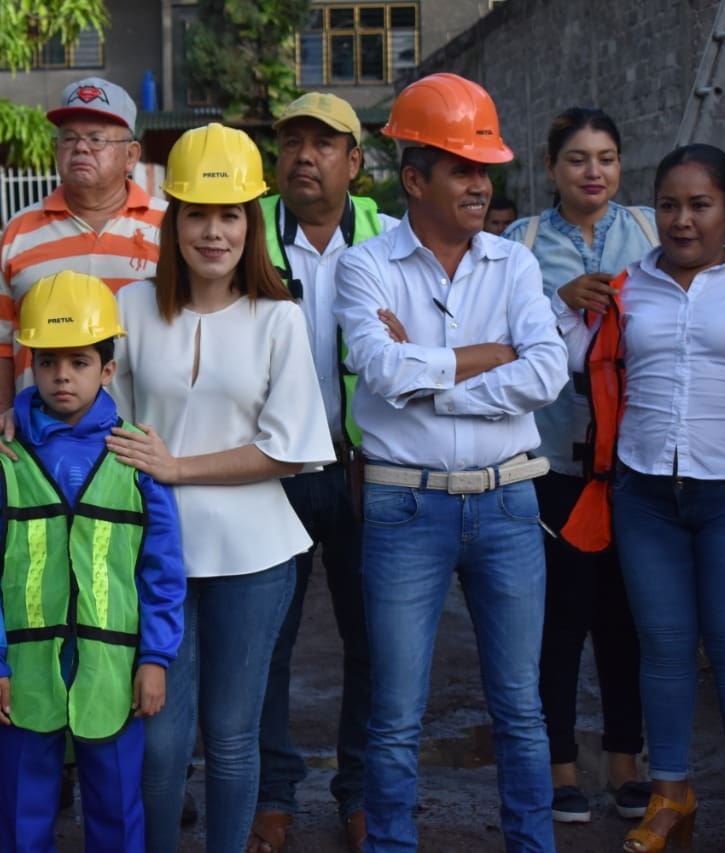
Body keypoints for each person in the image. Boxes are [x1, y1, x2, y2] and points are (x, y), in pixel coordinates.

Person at [333, 73, 567, 852]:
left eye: (485, 169)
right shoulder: (365, 266)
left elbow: (546, 371)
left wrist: (432, 380)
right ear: (413, 180)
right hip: (404, 506)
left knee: (522, 707)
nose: (480, 184)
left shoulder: (514, 264)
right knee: (396, 713)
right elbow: (380, 371)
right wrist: (487, 355)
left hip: (508, 503)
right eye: (463, 169)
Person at [111, 123, 333, 852]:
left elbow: (290, 449)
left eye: (230, 215)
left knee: (235, 736)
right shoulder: (131, 307)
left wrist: (177, 467)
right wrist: (11, 423)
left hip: (255, 557)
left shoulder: (280, 318)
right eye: (197, 215)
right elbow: (93, 417)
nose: (213, 232)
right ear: (173, 222)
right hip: (154, 553)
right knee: (161, 739)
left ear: (251, 224)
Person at [0, 270, 185, 852]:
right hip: (25, 671)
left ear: (107, 370)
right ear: (30, 365)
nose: (62, 375)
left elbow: (162, 572)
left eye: (79, 362)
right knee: (22, 813)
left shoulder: (133, 455)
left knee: (116, 813)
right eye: (48, 361)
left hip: (113, 669)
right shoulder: (8, 456)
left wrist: (155, 658)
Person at [553, 143, 725, 853]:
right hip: (644, 493)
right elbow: (568, 358)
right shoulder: (625, 287)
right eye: (669, 205)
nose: (683, 220)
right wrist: (567, 303)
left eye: (700, 205)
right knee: (661, 646)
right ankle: (671, 794)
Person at [251, 91, 399, 853]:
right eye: (292, 143)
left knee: (371, 640)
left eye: (324, 143)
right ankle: (271, 796)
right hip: (267, 470)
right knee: (263, 642)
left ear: (355, 161)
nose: (304, 156)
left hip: (362, 470)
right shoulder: (244, 234)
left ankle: (361, 792)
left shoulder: (389, 238)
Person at [503, 107, 655, 825]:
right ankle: (561, 767)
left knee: (629, 620)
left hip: (637, 465)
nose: (593, 171)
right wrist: (557, 302)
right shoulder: (519, 244)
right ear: (550, 168)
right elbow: (500, 339)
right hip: (551, 465)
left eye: (606, 158)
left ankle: (627, 763)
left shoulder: (651, 232)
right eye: (576, 158)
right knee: (558, 623)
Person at [0, 76, 167, 420]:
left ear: (131, 155)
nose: (80, 148)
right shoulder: (19, 232)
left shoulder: (169, 228)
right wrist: (3, 424)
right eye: (69, 138)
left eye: (96, 139)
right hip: (41, 442)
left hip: (144, 439)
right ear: (56, 151)